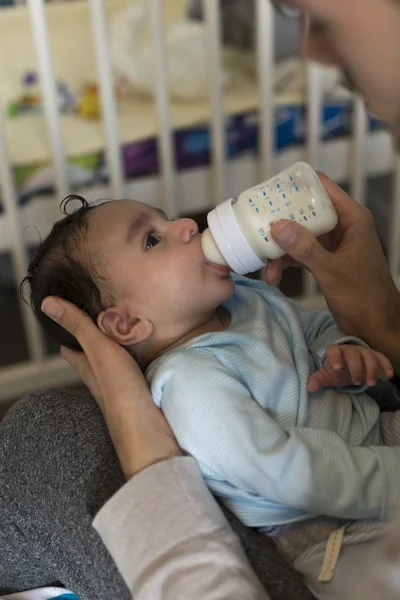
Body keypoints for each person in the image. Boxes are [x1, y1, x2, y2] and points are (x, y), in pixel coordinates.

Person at [1, 0, 400, 598]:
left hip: (374, 443)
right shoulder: (190, 385)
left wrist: (342, 347)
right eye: (155, 239)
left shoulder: (244, 301)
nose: (188, 226)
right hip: (336, 531)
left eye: (166, 219)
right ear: (127, 321)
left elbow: (310, 329)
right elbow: (287, 474)